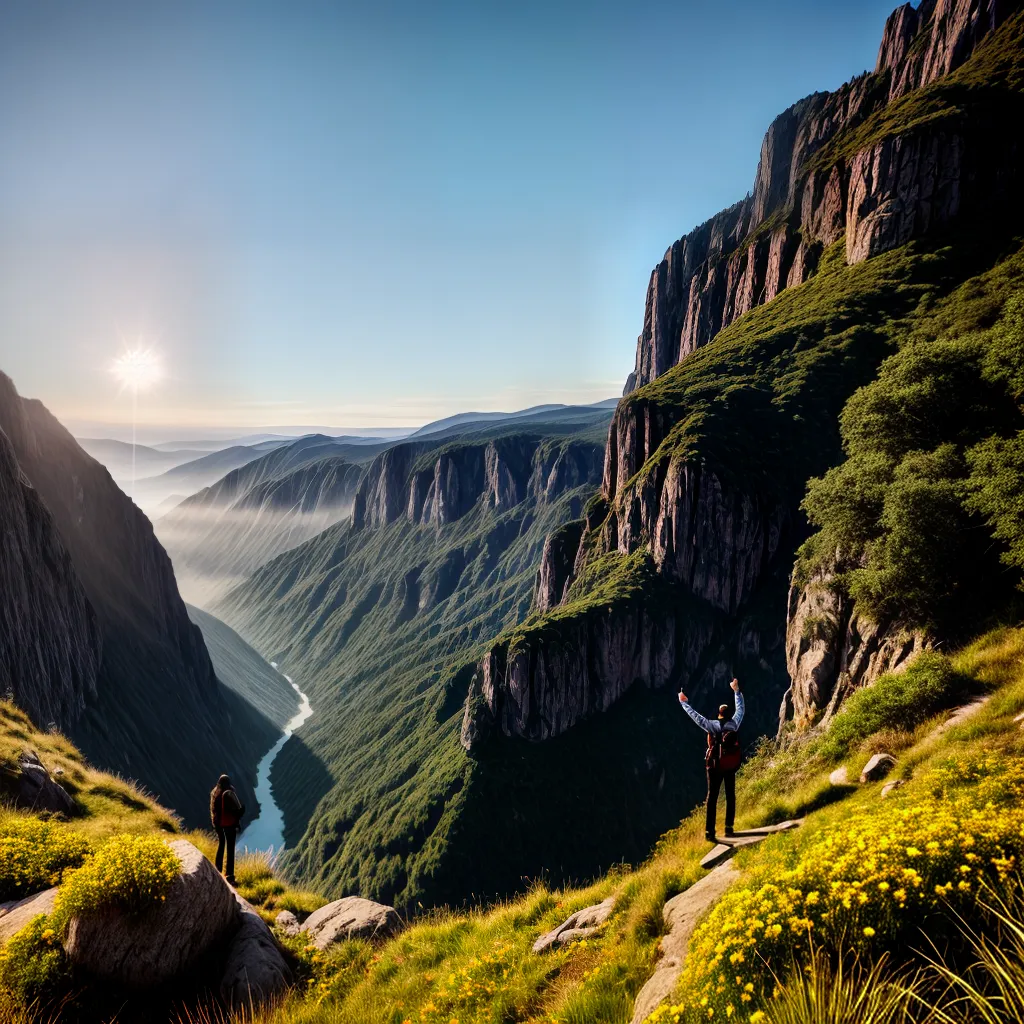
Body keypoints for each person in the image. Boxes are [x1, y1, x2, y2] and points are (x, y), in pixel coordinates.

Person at [677, 678, 744, 843]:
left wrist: (683, 702)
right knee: (730, 796)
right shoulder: (734, 724)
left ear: (719, 714)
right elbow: (741, 709)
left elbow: (696, 717)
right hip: (729, 765)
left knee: (712, 798)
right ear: (729, 715)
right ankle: (729, 828)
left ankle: (710, 832)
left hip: (714, 766)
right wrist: (736, 691)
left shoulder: (711, 725)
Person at [210, 774, 245, 885]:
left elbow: (214, 811)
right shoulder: (229, 794)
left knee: (221, 845)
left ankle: (218, 871)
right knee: (230, 849)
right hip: (229, 825)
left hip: (218, 824)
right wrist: (241, 812)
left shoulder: (215, 793)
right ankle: (229, 876)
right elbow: (235, 812)